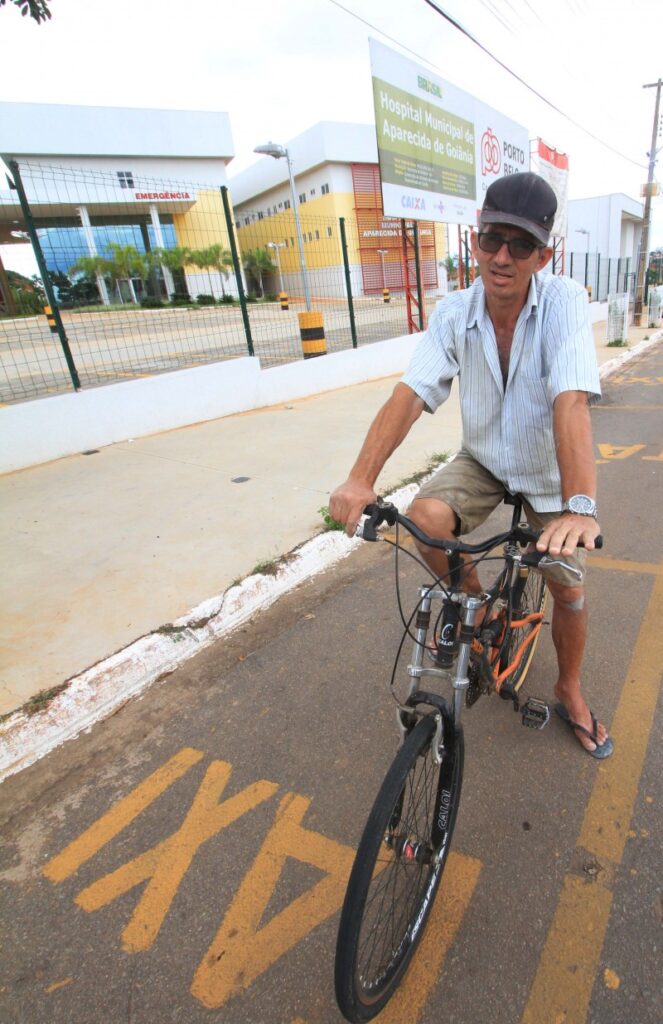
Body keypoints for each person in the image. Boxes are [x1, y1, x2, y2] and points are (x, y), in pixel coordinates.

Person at [329, 171, 613, 759]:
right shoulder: (454, 311)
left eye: (521, 243)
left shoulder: (563, 304)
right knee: (425, 518)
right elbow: (409, 395)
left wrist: (580, 507)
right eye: (491, 239)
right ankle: (471, 594)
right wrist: (361, 478)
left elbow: (572, 404)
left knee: (568, 589)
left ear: (544, 253)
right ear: (474, 240)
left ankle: (569, 688)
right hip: (483, 461)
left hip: (549, 472)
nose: (503, 256)